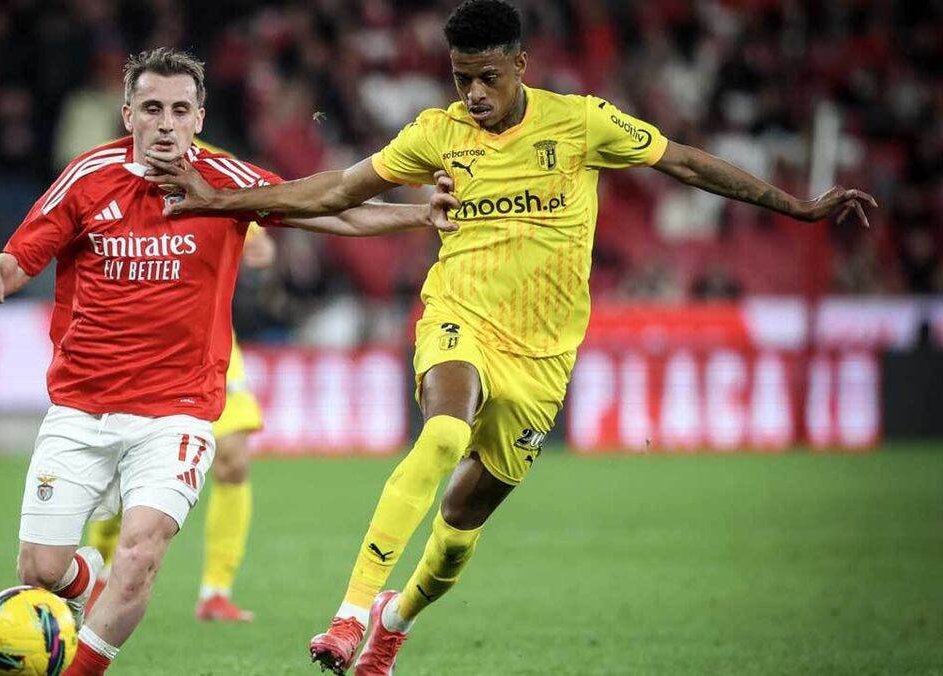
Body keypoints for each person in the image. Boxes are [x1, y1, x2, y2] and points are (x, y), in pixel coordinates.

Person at [140, 2, 878, 674]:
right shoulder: (437, 133)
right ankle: (350, 614)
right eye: (461, 78)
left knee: (460, 523)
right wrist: (222, 202)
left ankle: (393, 624)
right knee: (441, 433)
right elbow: (337, 188)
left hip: (544, 357)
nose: (473, 93)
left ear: (521, 65)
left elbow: (683, 160)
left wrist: (796, 207)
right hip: (459, 315)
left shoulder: (581, 124)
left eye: (486, 77)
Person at [0, 47, 458, 676]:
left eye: (179, 109)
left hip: (177, 412)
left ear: (199, 117)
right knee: (40, 570)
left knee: (141, 555)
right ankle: (83, 578)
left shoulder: (225, 181)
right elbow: (20, 255)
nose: (165, 123)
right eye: (151, 108)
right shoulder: (87, 177)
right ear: (128, 114)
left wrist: (419, 214)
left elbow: (331, 211)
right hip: (81, 407)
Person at [85, 218, 276, 624]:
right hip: (143, 340)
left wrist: (259, 242)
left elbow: (256, 236)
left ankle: (216, 592)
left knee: (234, 460)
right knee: (127, 460)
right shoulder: (124, 192)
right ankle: (99, 571)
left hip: (209, 338)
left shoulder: (205, 181)